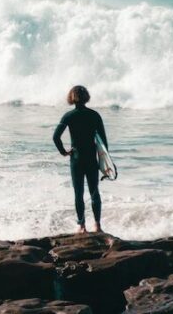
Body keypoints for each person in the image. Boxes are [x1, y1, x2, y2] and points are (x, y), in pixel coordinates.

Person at [53, 85, 108, 234]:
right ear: (86, 97)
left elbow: (55, 137)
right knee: (94, 192)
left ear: (71, 97)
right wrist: (105, 162)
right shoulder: (95, 115)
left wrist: (64, 152)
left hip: (76, 159)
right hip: (91, 159)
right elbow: (103, 141)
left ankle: (82, 226)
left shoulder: (69, 116)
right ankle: (97, 225)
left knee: (78, 193)